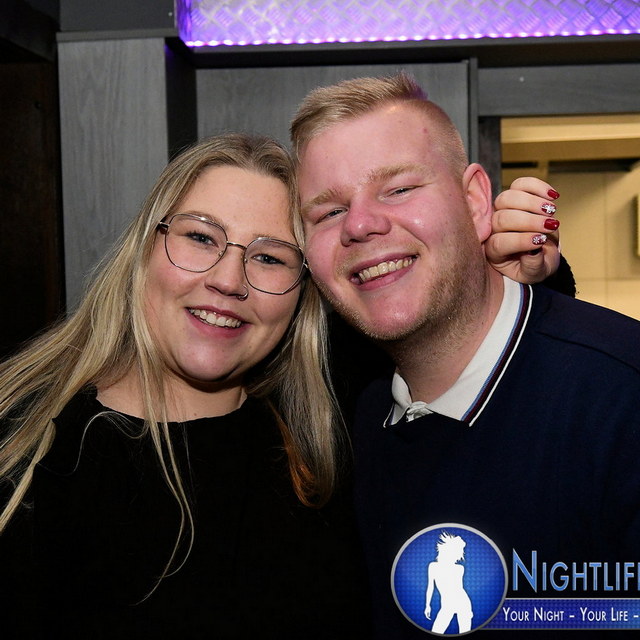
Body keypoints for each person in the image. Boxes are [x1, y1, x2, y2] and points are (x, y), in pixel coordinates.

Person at [291, 73, 640, 638]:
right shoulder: (350, 425)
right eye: (328, 212)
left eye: (398, 189)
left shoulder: (620, 398)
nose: (359, 225)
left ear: (476, 201)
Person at [0, 133, 370, 639]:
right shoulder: (21, 448)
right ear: (144, 250)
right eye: (200, 238)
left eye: (270, 258)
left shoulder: (333, 451)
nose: (229, 280)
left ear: (302, 293)